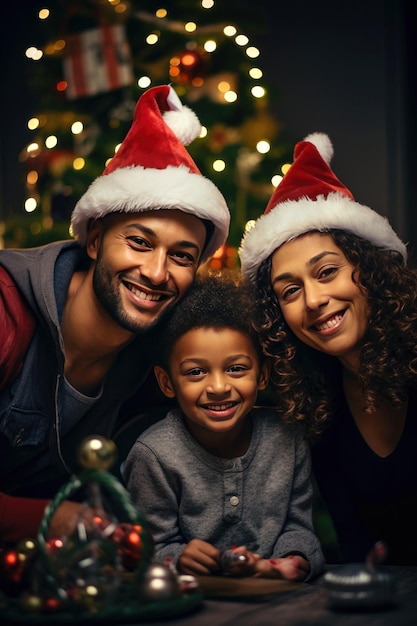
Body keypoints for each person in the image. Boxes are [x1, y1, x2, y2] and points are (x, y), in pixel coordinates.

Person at [0, 84, 230, 546]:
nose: (156, 272)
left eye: (182, 256)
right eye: (139, 242)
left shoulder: (158, 356)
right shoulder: (7, 311)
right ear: (94, 239)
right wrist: (55, 521)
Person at [239, 131, 417, 565]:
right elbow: (356, 543)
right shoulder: (316, 403)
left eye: (327, 271)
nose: (314, 300)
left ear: (370, 268)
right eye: (290, 290)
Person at [122, 272, 325, 581]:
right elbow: (143, 550)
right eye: (196, 372)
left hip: (276, 601)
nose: (218, 386)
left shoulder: (287, 438)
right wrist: (176, 558)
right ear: (166, 382)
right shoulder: (154, 455)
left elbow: (298, 528)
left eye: (236, 368)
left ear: (262, 375)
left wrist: (292, 560)